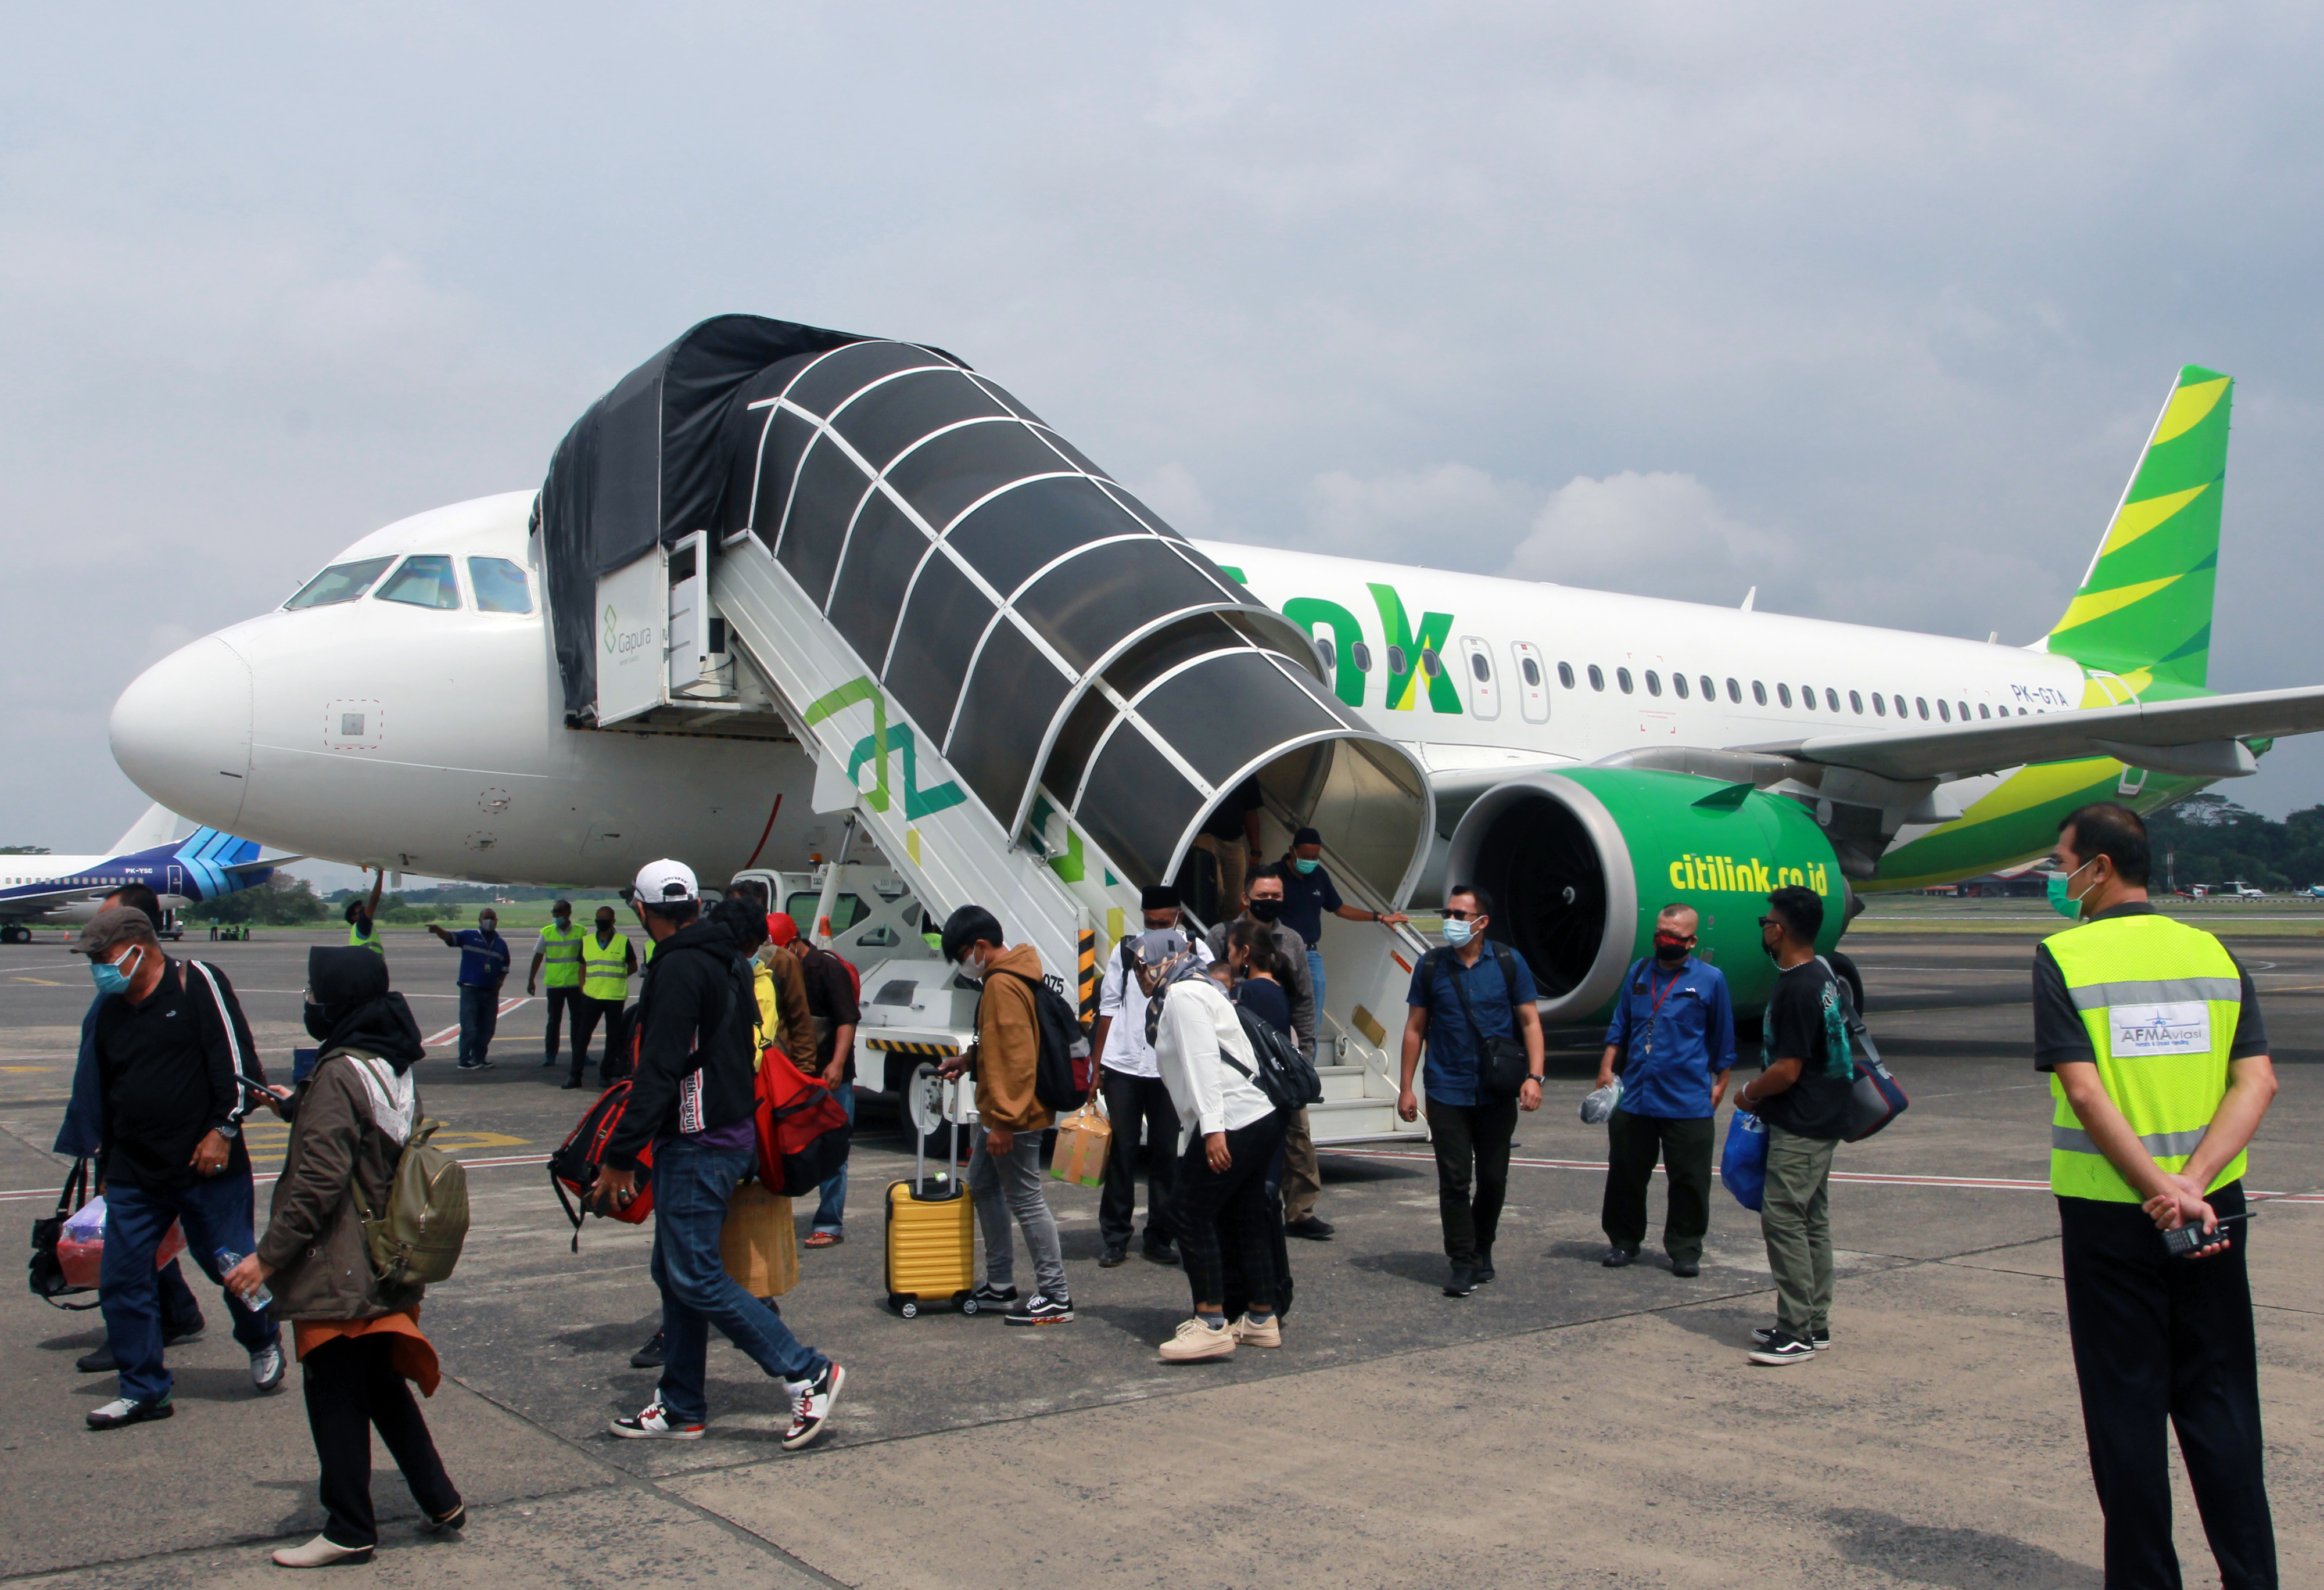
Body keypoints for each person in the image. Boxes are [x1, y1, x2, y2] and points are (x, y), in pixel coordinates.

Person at [2035, 802, 2278, 1586]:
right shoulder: (2211, 951)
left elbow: (2085, 1091)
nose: (2055, 874)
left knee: (2126, 1415)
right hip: (2215, 1212)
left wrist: (2159, 1191)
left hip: (2113, 1218)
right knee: (2221, 1407)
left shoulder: (2065, 957)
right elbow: (2258, 1080)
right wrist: (2196, 1185)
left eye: (2061, 859)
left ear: (2098, 867)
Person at [223, 947, 464, 1568]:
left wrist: (267, 1259)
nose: (310, 999)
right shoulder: (387, 1060)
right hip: (384, 1255)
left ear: (338, 997)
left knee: (333, 1390)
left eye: (315, 988)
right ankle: (439, 1498)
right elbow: (365, 1136)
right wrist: (293, 1106)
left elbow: (318, 1184)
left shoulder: (336, 1073)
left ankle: (350, 1527)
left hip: (341, 1262)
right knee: (382, 1383)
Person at [596, 861, 844, 1448]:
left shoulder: (680, 966)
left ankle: (806, 1369)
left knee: (697, 1274)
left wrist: (620, 1154)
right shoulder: (727, 958)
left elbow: (658, 1068)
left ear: (641, 908)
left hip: (697, 1138)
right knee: (675, 1272)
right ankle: (682, 1403)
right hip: (725, 1131)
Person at [77, 906, 285, 1429]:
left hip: (206, 1166)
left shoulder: (198, 981)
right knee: (122, 1279)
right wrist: (106, 1162)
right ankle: (144, 1389)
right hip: (134, 1171)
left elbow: (241, 1068)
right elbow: (106, 1089)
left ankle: (263, 1338)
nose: (99, 970)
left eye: (104, 959)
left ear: (138, 949)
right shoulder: (109, 1007)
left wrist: (224, 1130)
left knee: (233, 1268)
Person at [57, 884, 203, 1375]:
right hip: (118, 1134)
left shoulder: (165, 989)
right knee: (141, 1237)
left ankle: (142, 1337)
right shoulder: (120, 988)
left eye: (105, 927)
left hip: (142, 1140)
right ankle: (177, 1310)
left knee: (129, 1244)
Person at [1138, 930, 1285, 1361]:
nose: (1140, 974)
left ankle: (1211, 1322)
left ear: (1162, 961)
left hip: (1231, 1117)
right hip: (1258, 1113)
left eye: (1142, 964)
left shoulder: (1182, 995)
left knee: (1187, 1212)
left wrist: (1212, 1129)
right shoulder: (1202, 986)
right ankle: (1261, 1316)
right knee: (1245, 1212)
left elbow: (1202, 1059)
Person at [1397, 884, 1545, 1297]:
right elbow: (1414, 1028)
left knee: (1494, 1180)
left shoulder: (1508, 962)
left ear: (1482, 921)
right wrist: (1406, 1087)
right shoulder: (1430, 965)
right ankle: (1462, 1261)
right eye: (1449, 912)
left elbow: (1530, 1022)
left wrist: (1535, 1076)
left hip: (1496, 1089)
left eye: (1461, 915)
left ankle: (1484, 1247)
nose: (1452, 921)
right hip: (1447, 1088)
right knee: (1455, 1180)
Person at [935, 906, 1072, 1325]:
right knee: (982, 1183)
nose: (964, 965)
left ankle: (1055, 1294)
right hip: (1013, 1109)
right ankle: (1000, 1284)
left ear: (980, 946)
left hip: (1016, 1113)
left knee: (1025, 1198)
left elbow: (1016, 1058)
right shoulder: (1018, 973)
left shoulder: (1001, 984)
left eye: (962, 955)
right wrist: (969, 1059)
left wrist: (1002, 1122)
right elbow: (1004, 1043)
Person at [1738, 885, 1855, 1366]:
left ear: (1780, 930)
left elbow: (1788, 1068)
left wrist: (1749, 1093)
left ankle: (1795, 1332)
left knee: (1783, 1218)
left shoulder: (1797, 986)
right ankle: (1813, 1319)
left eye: (1767, 921)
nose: (1764, 928)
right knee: (1812, 1220)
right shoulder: (1822, 974)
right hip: (1824, 1115)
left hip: (1803, 1122)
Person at [1595, 904, 1737, 1277]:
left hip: (1687, 1098)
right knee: (1625, 1172)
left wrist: (1720, 1083)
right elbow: (1622, 1024)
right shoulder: (1639, 972)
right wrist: (1607, 1065)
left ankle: (1685, 1248)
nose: (1664, 941)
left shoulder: (1710, 980)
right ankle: (1623, 1242)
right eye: (1660, 934)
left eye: (1673, 937)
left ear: (1691, 941)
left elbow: (1723, 1039)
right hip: (1637, 1093)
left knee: (1690, 1179)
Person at [1205, 867, 1331, 1239]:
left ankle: (1301, 1211)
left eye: (1277, 895)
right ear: (1246, 898)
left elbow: (1304, 1000)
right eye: (1264, 894)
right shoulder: (1220, 934)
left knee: (1298, 1136)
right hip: (1235, 1057)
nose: (1271, 901)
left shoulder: (1291, 940)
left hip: (1280, 1053)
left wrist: (1304, 1054)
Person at [1090, 886, 1210, 1267]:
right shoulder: (1126, 950)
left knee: (1164, 1153)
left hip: (1169, 1066)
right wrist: (1097, 1066)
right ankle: (1115, 1236)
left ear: (1179, 916)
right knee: (1123, 1152)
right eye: (1149, 922)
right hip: (1125, 1063)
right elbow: (1108, 1006)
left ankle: (1159, 1235)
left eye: (1163, 922)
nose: (1156, 929)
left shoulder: (1198, 952)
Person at [771, 913, 861, 1250]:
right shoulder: (777, 971)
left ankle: (829, 1222)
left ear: (794, 944)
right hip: (794, 1075)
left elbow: (846, 1020)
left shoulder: (827, 970)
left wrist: (837, 1064)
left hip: (830, 1076)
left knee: (834, 1150)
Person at [1276, 825, 1410, 1045]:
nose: (1311, 861)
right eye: (1306, 856)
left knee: (1311, 1023)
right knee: (1281, 1013)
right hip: (1280, 953)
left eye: (1315, 857)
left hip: (1310, 956)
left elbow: (1340, 909)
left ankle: (1306, 1072)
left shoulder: (1319, 876)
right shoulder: (1275, 874)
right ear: (1293, 851)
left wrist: (1380, 917)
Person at [564, 905, 639, 1089]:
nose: (601, 922)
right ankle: (575, 1075)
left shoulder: (622, 941)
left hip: (614, 996)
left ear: (613, 921)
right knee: (582, 1037)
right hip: (592, 996)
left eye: (604, 919)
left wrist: (617, 978)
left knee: (612, 1038)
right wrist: (583, 989)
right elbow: (582, 967)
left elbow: (633, 966)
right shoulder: (587, 941)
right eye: (598, 919)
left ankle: (605, 1075)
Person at [425, 908, 510, 1071]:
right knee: (470, 1027)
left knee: (487, 1028)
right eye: (486, 918)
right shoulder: (469, 936)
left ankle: (479, 1058)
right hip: (471, 989)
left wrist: (499, 983)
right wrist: (438, 931)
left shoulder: (500, 944)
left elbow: (505, 966)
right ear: (479, 920)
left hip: (490, 991)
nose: (489, 921)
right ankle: (464, 1060)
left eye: (492, 918)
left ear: (497, 921)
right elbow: (451, 938)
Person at [1188, 776, 1264, 923]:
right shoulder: (1207, 766)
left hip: (1235, 840)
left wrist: (1256, 852)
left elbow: (1251, 813)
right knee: (1215, 890)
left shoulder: (1247, 774)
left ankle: (1227, 936)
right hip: (1207, 836)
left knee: (1237, 899)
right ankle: (1206, 930)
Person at [526, 899, 586, 1069]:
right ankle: (550, 1054)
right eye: (554, 912)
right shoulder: (547, 932)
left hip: (576, 984)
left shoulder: (581, 932)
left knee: (578, 1021)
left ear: (569, 913)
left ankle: (580, 1053)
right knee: (554, 1021)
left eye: (559, 912)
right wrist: (531, 979)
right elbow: (538, 956)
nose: (555, 915)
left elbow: (586, 958)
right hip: (555, 984)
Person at [344, 870, 386, 957]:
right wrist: (380, 875)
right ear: (355, 917)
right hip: (369, 969)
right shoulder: (362, 926)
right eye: (361, 909)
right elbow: (373, 901)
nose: (365, 909)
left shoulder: (358, 931)